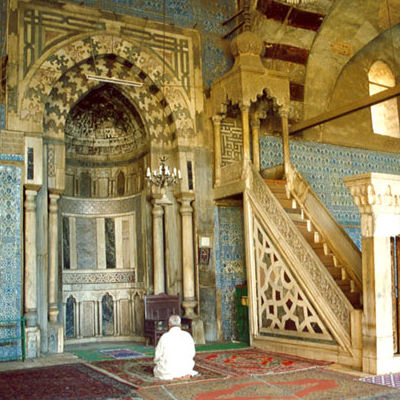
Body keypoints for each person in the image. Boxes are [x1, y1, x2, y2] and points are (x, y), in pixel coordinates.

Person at [153, 314, 198, 380]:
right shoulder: (187, 335)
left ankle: (174, 375)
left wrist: (158, 362)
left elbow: (157, 356)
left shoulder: (165, 337)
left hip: (168, 371)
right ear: (180, 325)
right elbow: (192, 353)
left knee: (156, 370)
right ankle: (184, 373)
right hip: (185, 368)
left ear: (169, 325)